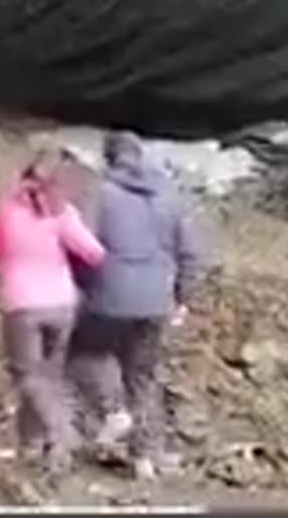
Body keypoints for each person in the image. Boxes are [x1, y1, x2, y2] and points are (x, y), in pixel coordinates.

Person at [68, 131, 205, 481]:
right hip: (157, 301)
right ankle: (146, 457)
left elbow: (84, 248)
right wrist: (183, 297)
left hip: (109, 299)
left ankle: (114, 413)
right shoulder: (169, 195)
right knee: (143, 376)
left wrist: (82, 286)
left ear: (109, 158)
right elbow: (190, 252)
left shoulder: (101, 193)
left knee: (84, 355)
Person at [0, 147, 106, 475]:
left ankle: (63, 431)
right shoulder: (61, 212)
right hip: (62, 305)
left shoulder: (6, 211)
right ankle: (33, 448)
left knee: (28, 378)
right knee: (46, 378)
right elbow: (94, 253)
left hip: (22, 305)